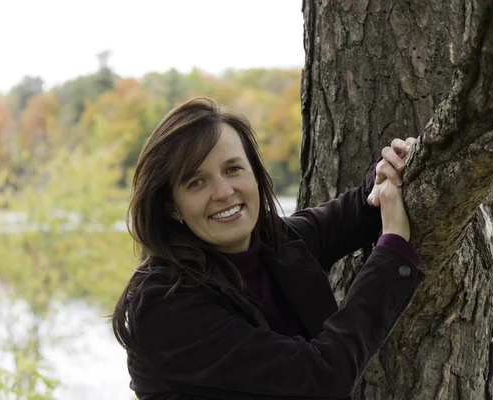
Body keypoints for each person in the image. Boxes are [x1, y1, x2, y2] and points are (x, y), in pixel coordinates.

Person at [112, 97, 423, 400]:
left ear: (255, 174)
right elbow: (324, 373)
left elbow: (350, 213)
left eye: (233, 169)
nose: (223, 192)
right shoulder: (164, 304)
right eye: (196, 182)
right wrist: (393, 247)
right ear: (172, 207)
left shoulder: (274, 244)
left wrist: (384, 176)